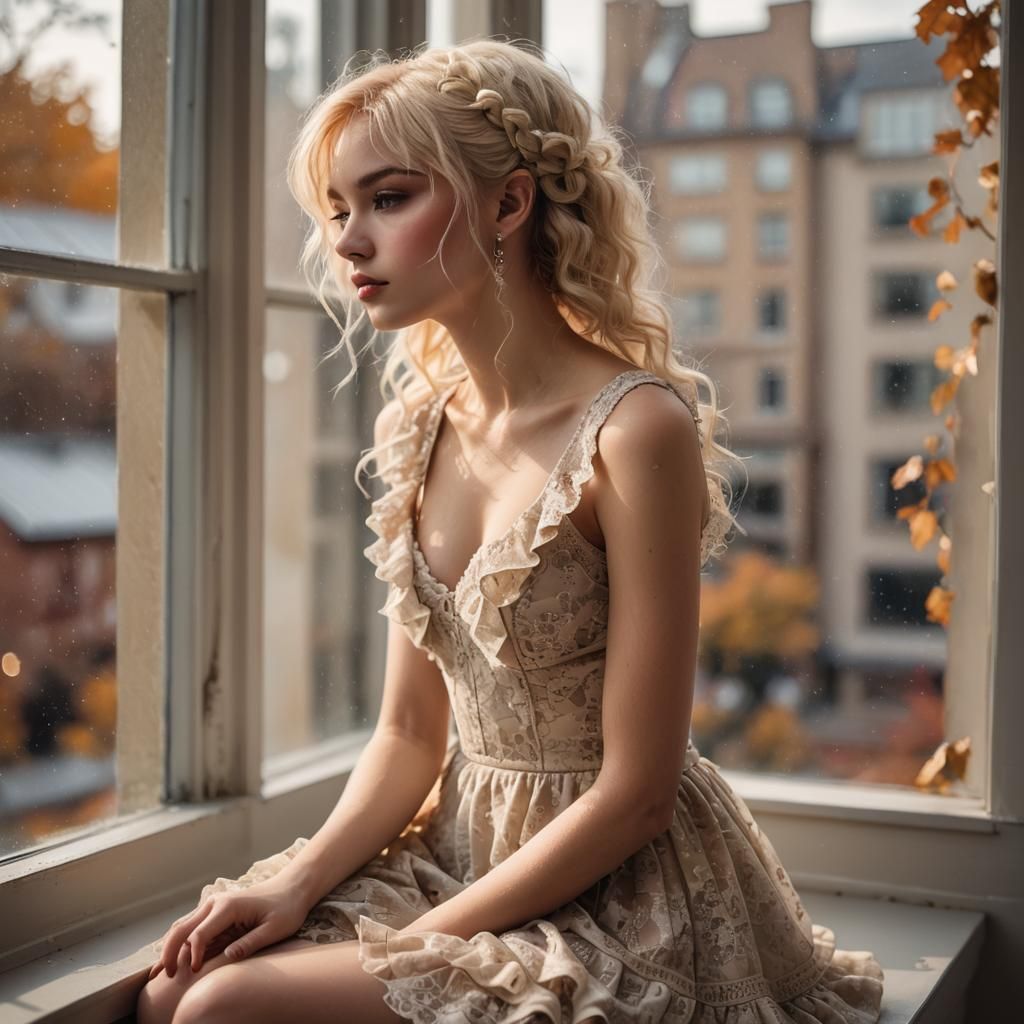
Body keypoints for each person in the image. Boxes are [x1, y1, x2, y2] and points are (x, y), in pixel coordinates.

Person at [137, 38, 885, 1024]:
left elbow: (637, 796)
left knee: (211, 1011)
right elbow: (409, 731)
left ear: (507, 202)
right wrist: (297, 880)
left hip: (619, 891)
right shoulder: (418, 425)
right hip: (461, 850)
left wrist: (417, 948)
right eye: (337, 210)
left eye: (389, 198)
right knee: (171, 990)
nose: (348, 242)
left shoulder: (634, 428)